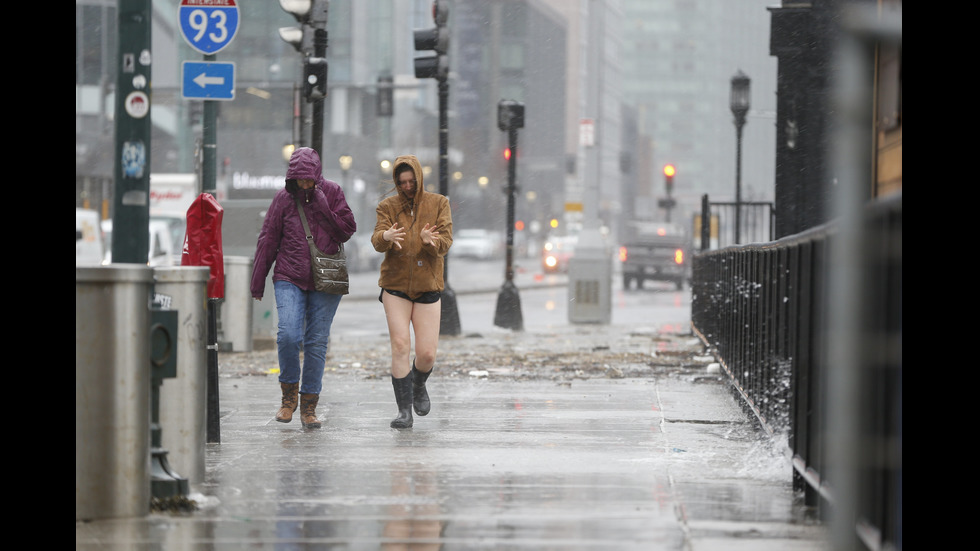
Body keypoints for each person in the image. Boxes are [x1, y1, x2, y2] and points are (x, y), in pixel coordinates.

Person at [251, 147, 356, 429]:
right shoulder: (283, 200)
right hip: (289, 275)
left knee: (316, 343)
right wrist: (258, 280)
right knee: (288, 335)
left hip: (326, 278)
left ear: (317, 175)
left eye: (309, 179)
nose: (304, 185)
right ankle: (288, 398)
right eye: (299, 180)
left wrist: (322, 204)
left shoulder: (332, 192)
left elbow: (347, 229)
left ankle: (309, 407)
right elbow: (268, 240)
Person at [372, 155, 453, 429]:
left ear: (419, 179)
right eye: (401, 182)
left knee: (427, 354)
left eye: (411, 181)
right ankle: (403, 411)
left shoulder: (439, 203)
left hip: (428, 285)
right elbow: (376, 240)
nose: (406, 186)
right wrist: (385, 237)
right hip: (395, 286)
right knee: (400, 346)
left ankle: (418, 383)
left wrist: (431, 242)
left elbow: (446, 243)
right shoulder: (387, 207)